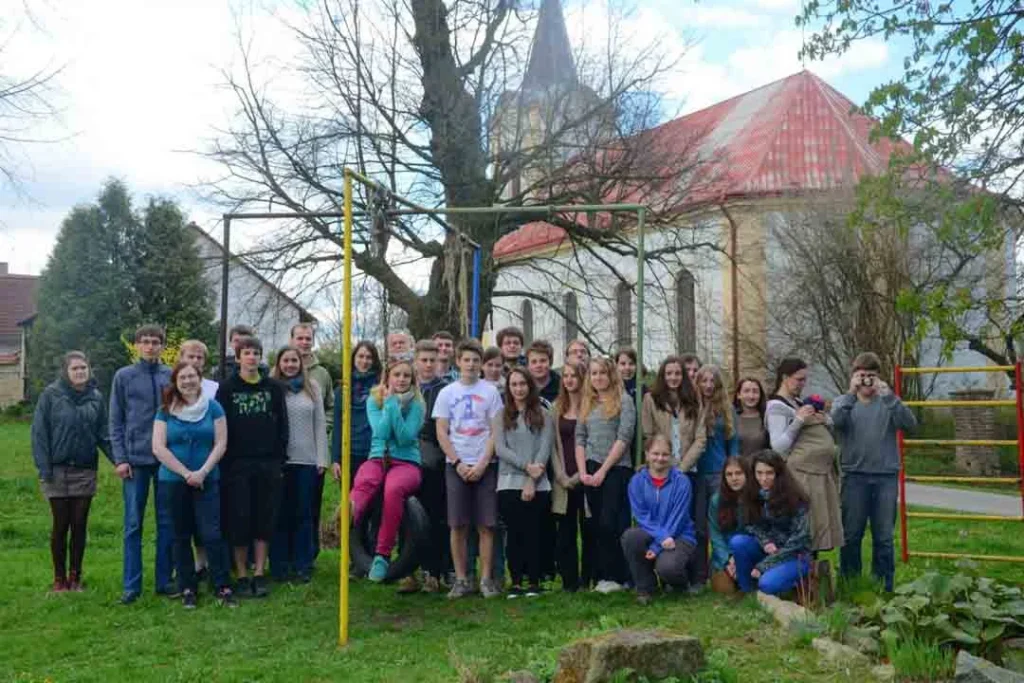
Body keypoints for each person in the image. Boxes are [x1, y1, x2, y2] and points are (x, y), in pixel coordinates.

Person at [152, 362, 236, 608]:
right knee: (180, 535)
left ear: (200, 379)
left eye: (192, 376)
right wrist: (186, 473)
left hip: (207, 480)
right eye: (183, 378)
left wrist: (202, 472)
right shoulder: (165, 410)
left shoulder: (214, 407)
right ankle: (187, 587)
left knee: (212, 534)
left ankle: (222, 585)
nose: (188, 381)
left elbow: (221, 443)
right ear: (176, 382)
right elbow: (158, 447)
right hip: (173, 481)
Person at [832, 352, 916, 592]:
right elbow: (835, 423)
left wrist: (890, 397)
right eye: (862, 375)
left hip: (885, 478)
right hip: (854, 477)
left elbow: (910, 424)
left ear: (878, 377)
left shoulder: (889, 402)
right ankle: (850, 584)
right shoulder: (843, 402)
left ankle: (883, 586)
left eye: (872, 376)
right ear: (854, 376)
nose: (867, 381)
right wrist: (851, 393)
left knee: (884, 538)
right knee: (851, 535)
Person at [31, 351, 112, 593]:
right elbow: (39, 434)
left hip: (85, 470)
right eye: (75, 369)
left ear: (89, 370)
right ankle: (59, 579)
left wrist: (119, 461)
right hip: (56, 470)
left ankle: (75, 577)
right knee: (60, 524)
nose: (80, 372)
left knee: (79, 524)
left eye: (83, 368)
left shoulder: (96, 398)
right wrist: (44, 469)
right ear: (66, 372)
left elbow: (103, 434)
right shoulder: (51, 395)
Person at [216, 337, 289, 598]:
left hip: (268, 463)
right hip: (237, 465)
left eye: (256, 353)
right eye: (247, 353)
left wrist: (279, 459)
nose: (252, 357)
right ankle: (242, 574)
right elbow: (220, 426)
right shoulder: (227, 389)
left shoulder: (274, 388)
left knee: (264, 518)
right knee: (239, 519)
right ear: (238, 358)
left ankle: (259, 572)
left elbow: (283, 426)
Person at [434, 339, 504, 599]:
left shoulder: (491, 392)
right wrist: (458, 462)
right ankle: (462, 579)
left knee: (487, 525)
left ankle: (486, 579)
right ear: (458, 362)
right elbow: (442, 431)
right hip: (457, 465)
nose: (471, 364)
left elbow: (496, 431)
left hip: (486, 464)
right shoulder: (447, 393)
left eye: (476, 360)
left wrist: (484, 462)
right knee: (458, 525)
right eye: (467, 360)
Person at [109, 324, 174, 604]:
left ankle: (164, 580)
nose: (150, 346)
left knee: (166, 522)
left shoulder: (170, 375)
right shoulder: (123, 377)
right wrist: (120, 458)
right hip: (134, 462)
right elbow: (116, 420)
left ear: (162, 345)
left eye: (155, 342)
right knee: (133, 525)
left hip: (165, 461)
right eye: (145, 342)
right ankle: (131, 586)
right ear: (137, 345)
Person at [351, 358, 426, 581]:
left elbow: (404, 438)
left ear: (412, 380)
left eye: (406, 376)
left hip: (406, 462)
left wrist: (392, 404)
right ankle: (346, 518)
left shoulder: (417, 405)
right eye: (397, 375)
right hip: (378, 458)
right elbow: (381, 433)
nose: (401, 380)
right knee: (365, 479)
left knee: (393, 489)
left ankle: (382, 554)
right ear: (388, 377)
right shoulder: (374, 400)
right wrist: (387, 404)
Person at [766, 357, 843, 553]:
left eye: (804, 380)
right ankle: (801, 576)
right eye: (799, 379)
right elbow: (779, 447)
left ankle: (813, 575)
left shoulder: (798, 401)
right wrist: (799, 420)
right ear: (785, 377)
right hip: (801, 475)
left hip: (818, 474)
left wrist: (824, 419)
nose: (803, 384)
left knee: (817, 528)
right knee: (805, 529)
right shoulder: (776, 406)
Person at [575, 356, 636, 594]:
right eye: (594, 373)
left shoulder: (624, 401)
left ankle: (618, 576)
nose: (598, 377)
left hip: (616, 468)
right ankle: (602, 575)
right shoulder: (587, 402)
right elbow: (580, 437)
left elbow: (624, 437)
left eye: (602, 373)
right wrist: (583, 471)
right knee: (595, 525)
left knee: (611, 522)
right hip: (589, 468)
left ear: (611, 375)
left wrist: (603, 470)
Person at [269, 347, 328, 583]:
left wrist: (322, 457)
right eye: (286, 360)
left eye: (294, 360)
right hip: (281, 461)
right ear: (279, 363)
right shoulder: (273, 388)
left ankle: (303, 564)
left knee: (304, 513)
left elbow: (320, 423)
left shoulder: (312, 387)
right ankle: (281, 564)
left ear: (300, 363)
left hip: (307, 460)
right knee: (281, 513)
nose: (290, 364)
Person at [493, 367, 554, 598]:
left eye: (522, 384)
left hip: (538, 483)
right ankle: (516, 580)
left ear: (530, 386)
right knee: (515, 534)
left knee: (534, 533)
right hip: (508, 483)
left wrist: (532, 478)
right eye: (514, 385)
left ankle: (534, 581)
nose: (519, 389)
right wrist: (526, 466)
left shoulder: (543, 414)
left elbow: (544, 448)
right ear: (509, 388)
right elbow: (500, 448)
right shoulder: (501, 415)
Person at [621, 435, 696, 604]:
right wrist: (661, 539)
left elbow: (678, 518)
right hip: (653, 533)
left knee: (667, 568)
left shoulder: (682, 481)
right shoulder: (637, 481)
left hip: (679, 535)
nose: (660, 459)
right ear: (647, 454)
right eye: (655, 454)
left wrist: (656, 547)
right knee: (631, 537)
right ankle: (646, 588)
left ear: (671, 456)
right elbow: (641, 516)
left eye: (665, 454)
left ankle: (680, 584)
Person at [729, 450, 811, 595]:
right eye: (759, 473)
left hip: (794, 555)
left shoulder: (795, 497)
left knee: (767, 584)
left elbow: (799, 540)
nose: (764, 478)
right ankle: (747, 592)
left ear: (779, 474)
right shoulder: (751, 494)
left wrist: (764, 566)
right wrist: (765, 541)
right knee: (738, 542)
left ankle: (786, 584)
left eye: (769, 473)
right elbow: (751, 525)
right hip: (767, 549)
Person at [690, 365, 740, 589]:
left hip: (719, 474)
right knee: (700, 527)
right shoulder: (691, 406)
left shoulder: (726, 409)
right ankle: (699, 575)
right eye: (704, 381)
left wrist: (733, 472)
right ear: (697, 383)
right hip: (696, 473)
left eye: (713, 381)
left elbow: (733, 444)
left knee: (722, 523)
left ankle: (723, 567)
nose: (708, 385)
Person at [290, 323, 335, 560]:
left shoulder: (322, 374)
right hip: (288, 450)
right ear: (292, 340)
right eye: (300, 338)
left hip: (313, 447)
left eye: (308, 339)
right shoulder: (281, 368)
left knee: (311, 505)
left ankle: (310, 552)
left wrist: (324, 426)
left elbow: (330, 406)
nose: (304, 342)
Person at [550, 361, 595, 592]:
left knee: (588, 530)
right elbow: (552, 446)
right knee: (565, 533)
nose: (568, 380)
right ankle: (569, 582)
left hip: (587, 477)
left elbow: (593, 443)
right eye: (565, 376)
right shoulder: (556, 407)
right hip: (563, 479)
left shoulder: (592, 407)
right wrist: (561, 475)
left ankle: (587, 579)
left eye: (573, 376)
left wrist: (580, 475)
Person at [177, 340, 218, 581]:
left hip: (207, 460)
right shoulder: (172, 387)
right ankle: (185, 566)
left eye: (199, 358)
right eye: (190, 357)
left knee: (207, 517)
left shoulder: (213, 387)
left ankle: (205, 563)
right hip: (179, 461)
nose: (194, 362)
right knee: (183, 518)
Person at [412, 340, 450, 593]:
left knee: (436, 517)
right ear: (416, 361)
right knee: (411, 517)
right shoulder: (405, 385)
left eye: (431, 360)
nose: (427, 365)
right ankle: (412, 570)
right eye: (423, 360)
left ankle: (437, 571)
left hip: (435, 461)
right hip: (406, 459)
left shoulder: (444, 390)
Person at [641, 356, 705, 471]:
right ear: (663, 376)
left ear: (683, 376)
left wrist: (683, 467)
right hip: (661, 467)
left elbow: (700, 438)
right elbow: (648, 436)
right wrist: (661, 461)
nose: (673, 377)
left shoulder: (694, 399)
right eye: (669, 373)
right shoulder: (650, 399)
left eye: (678, 373)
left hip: (689, 468)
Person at [331, 341, 382, 484]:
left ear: (374, 361)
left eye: (369, 357)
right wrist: (335, 459)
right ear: (353, 359)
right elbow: (337, 425)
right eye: (360, 356)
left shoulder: (381, 388)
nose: (364, 361)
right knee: (351, 502)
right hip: (349, 454)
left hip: (373, 454)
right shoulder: (342, 390)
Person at [708, 455, 749, 594]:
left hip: (748, 554)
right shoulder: (716, 500)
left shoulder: (756, 498)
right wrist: (727, 560)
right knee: (725, 590)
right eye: (729, 474)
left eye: (738, 473)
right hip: (725, 557)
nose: (734, 478)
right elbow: (715, 534)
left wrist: (739, 559)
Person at [734, 377, 769, 457]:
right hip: (737, 467)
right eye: (746, 391)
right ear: (738, 395)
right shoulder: (731, 419)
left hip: (760, 467)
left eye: (755, 392)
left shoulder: (767, 417)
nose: (751, 396)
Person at [526, 340, 561, 405]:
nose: (538, 365)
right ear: (528, 365)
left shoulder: (561, 386)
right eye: (534, 362)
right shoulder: (521, 386)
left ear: (550, 362)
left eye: (543, 361)